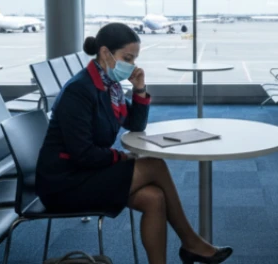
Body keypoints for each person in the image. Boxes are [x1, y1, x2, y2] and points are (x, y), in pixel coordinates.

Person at [35, 23, 233, 264]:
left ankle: (180, 251)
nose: (131, 65)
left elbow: (135, 124)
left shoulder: (111, 86)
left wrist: (139, 90)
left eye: (134, 58)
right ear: (106, 53)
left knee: (154, 198)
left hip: (87, 173)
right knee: (154, 166)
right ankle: (191, 242)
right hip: (64, 183)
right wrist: (122, 157)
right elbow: (82, 153)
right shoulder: (80, 90)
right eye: (127, 58)